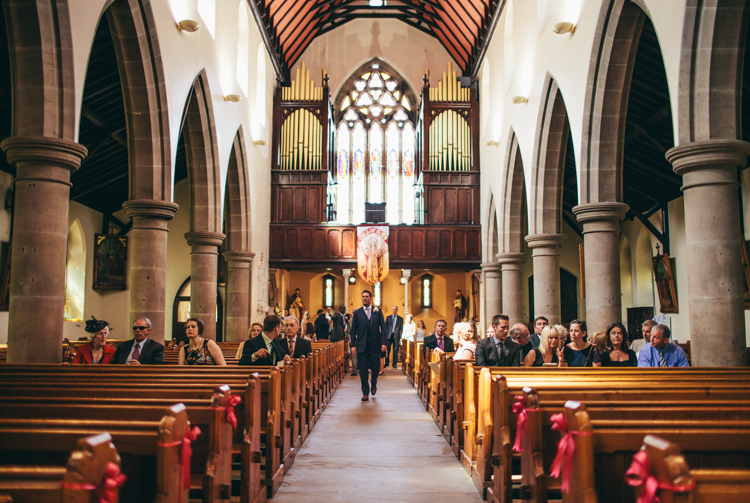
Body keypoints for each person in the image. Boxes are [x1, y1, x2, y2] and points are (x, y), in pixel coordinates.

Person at [349, 290, 387, 401]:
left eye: (367, 296)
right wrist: (353, 345)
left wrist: (384, 342)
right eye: (363, 297)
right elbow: (353, 330)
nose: (365, 298)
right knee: (363, 370)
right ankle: (365, 392)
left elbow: (383, 328)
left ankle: (374, 382)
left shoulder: (378, 311)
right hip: (362, 345)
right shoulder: (357, 313)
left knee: (375, 368)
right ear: (361, 298)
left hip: (375, 345)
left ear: (371, 298)